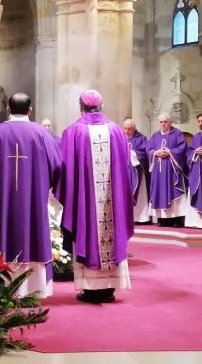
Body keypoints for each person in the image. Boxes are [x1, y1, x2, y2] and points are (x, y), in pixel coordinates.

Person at [0, 93, 62, 298]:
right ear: (30, 110)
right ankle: (35, 287)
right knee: (33, 231)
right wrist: (44, 183)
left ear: (8, 109)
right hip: (33, 199)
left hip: (3, 200)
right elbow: (57, 164)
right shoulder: (42, 134)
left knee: (3, 231)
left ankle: (3, 287)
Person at [56, 90, 133, 304]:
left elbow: (64, 169)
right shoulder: (116, 131)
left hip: (87, 205)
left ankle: (90, 289)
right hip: (112, 202)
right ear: (101, 105)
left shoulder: (73, 132)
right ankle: (109, 288)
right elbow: (126, 167)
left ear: (80, 107)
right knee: (112, 226)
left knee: (88, 228)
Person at [147, 113, 188, 227]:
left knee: (173, 192)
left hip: (172, 170)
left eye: (165, 122)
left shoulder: (177, 134)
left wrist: (169, 152)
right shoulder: (155, 135)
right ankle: (163, 219)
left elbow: (182, 148)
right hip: (159, 171)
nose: (163, 124)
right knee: (160, 192)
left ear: (170, 122)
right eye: (161, 122)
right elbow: (148, 149)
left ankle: (176, 219)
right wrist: (155, 153)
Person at [122, 118, 151, 224]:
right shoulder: (121, 138)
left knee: (140, 195)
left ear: (134, 129)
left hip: (137, 172)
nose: (126, 131)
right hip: (124, 172)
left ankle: (140, 218)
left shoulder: (141, 138)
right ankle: (126, 218)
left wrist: (133, 154)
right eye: (125, 128)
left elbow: (145, 153)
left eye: (129, 129)